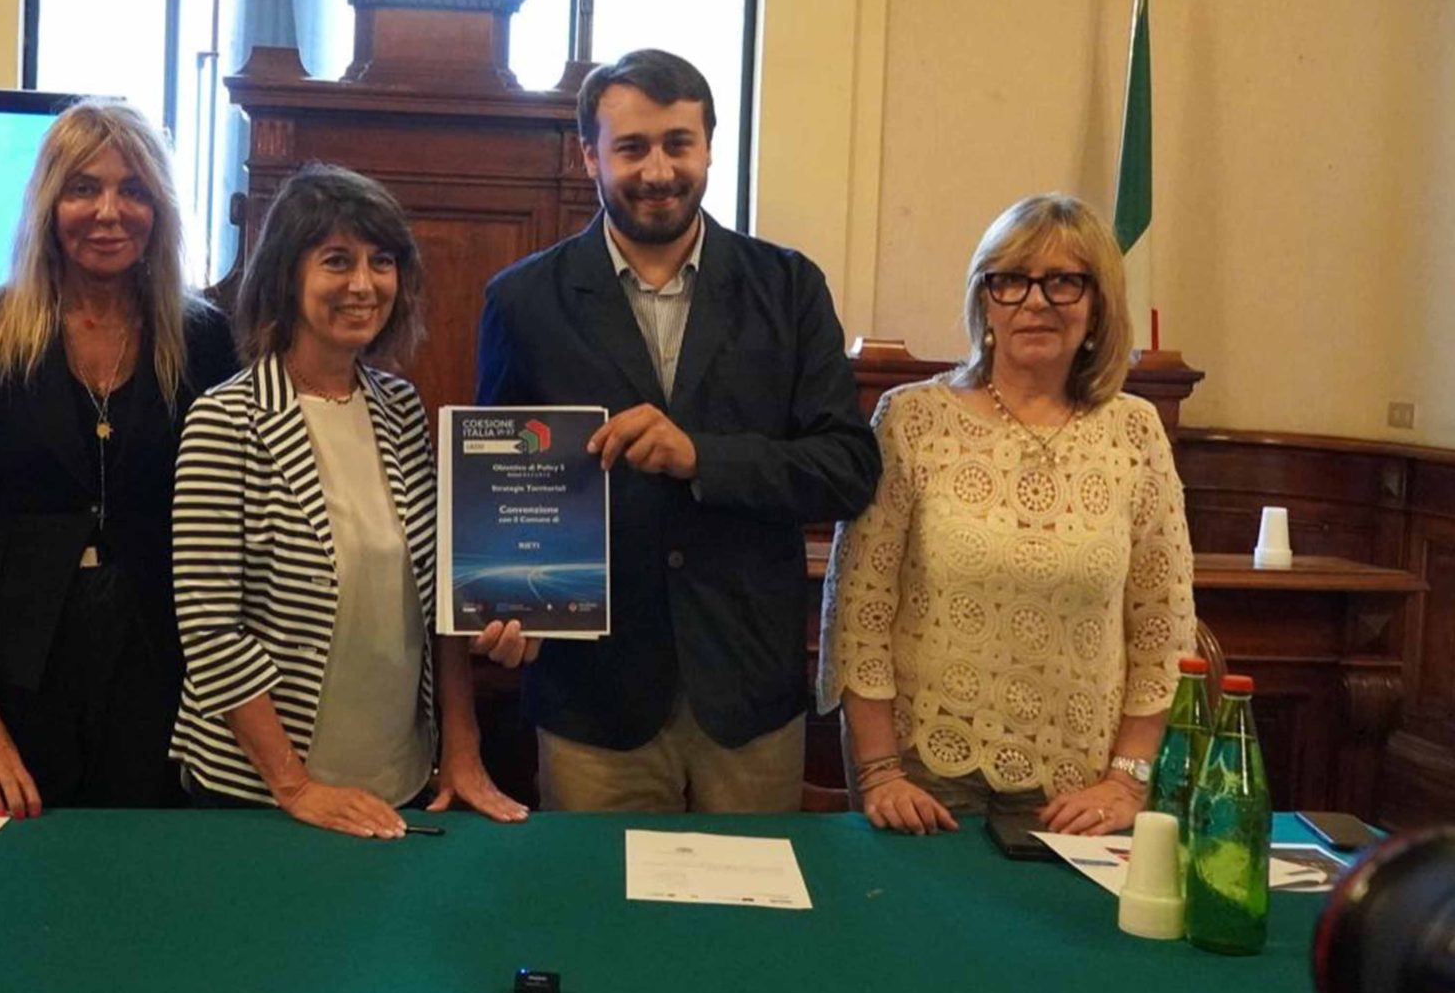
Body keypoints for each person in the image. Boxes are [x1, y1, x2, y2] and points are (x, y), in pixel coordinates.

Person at [474, 49, 881, 813]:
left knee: (754, 894)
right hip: (593, 698)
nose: (658, 170)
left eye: (677, 144)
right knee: (595, 893)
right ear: (589, 154)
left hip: (748, 692)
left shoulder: (789, 287)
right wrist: (505, 601)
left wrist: (701, 457)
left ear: (709, 147)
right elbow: (502, 484)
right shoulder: (523, 300)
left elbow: (847, 469)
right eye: (632, 147)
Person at [171, 164, 533, 838]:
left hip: (398, 777)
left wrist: (462, 749)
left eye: (381, 261)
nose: (364, 284)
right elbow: (210, 631)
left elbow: (440, 600)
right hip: (260, 792)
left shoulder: (401, 408)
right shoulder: (225, 420)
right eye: (337, 260)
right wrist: (296, 787)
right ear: (286, 276)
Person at [819, 193, 1196, 836]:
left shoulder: (1135, 432)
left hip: (1082, 788)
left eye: (1064, 281)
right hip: (920, 776)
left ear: (1098, 303)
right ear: (985, 299)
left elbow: (1163, 626)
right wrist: (879, 772)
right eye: (1011, 279)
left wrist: (1127, 781)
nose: (1035, 301)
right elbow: (860, 610)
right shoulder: (912, 419)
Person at [0, 102, 238, 817]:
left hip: (165, 671)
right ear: (48, 204)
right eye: (83, 188)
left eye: (133, 190)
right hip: (17, 676)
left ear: (158, 209)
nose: (109, 212)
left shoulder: (204, 339)